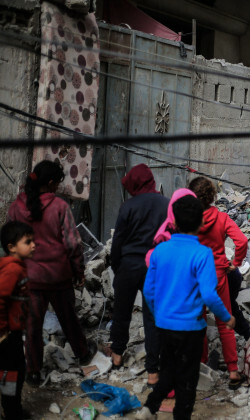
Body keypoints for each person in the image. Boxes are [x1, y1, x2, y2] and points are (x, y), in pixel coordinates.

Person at [136, 195, 235, 420]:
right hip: (190, 327)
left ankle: (150, 407)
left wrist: (159, 313)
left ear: (174, 222)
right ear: (200, 223)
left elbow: (149, 291)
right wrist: (226, 317)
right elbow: (209, 295)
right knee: (187, 381)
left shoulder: (160, 251)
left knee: (169, 369)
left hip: (164, 324)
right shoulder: (202, 254)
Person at [8, 160, 95, 386]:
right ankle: (83, 354)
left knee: (32, 326)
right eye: (56, 183)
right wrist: (78, 270)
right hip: (58, 275)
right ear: (50, 183)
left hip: (29, 277)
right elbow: (72, 243)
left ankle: (33, 372)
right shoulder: (59, 207)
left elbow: (8, 241)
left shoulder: (16, 207)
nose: (57, 187)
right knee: (69, 318)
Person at [109, 164, 169, 386]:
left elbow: (118, 242)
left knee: (121, 312)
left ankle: (116, 356)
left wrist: (117, 268)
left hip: (128, 265)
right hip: (155, 267)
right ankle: (153, 371)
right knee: (152, 318)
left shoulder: (128, 206)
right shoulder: (166, 204)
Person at [188, 177, 249, 389]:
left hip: (195, 277)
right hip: (218, 275)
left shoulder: (187, 220)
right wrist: (236, 262)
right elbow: (241, 241)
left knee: (199, 322)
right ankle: (233, 371)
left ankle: (202, 366)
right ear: (213, 196)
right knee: (224, 323)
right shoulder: (222, 218)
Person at [0, 221, 35, 419]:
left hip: (12, 331)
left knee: (15, 371)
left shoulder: (17, 267)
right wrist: (3, 330)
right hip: (7, 334)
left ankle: (12, 409)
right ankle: (12, 413)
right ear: (11, 247)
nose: (33, 245)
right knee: (13, 373)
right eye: (28, 242)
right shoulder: (12, 270)